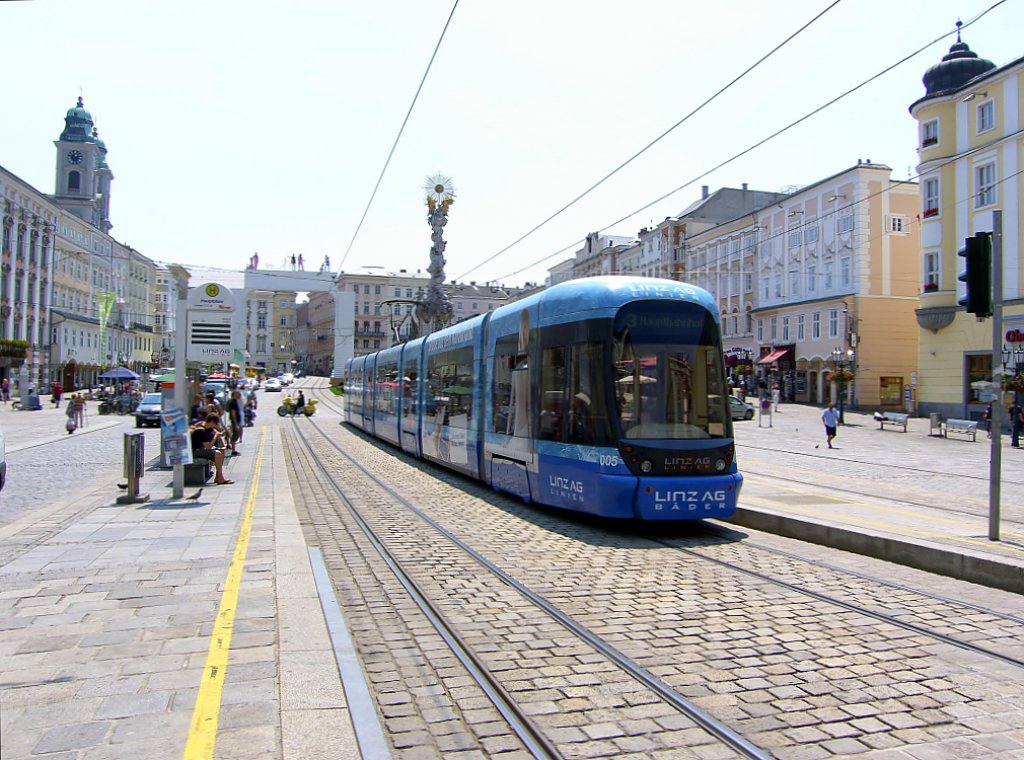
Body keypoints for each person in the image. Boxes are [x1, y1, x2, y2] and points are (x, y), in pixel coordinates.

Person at [191, 413, 233, 485]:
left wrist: (223, 445)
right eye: (215, 424)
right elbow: (208, 446)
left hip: (201, 449)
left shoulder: (208, 427)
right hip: (195, 451)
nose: (215, 426)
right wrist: (215, 437)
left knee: (221, 451)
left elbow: (218, 432)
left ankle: (218, 476)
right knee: (217, 453)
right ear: (212, 422)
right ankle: (220, 478)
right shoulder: (201, 431)